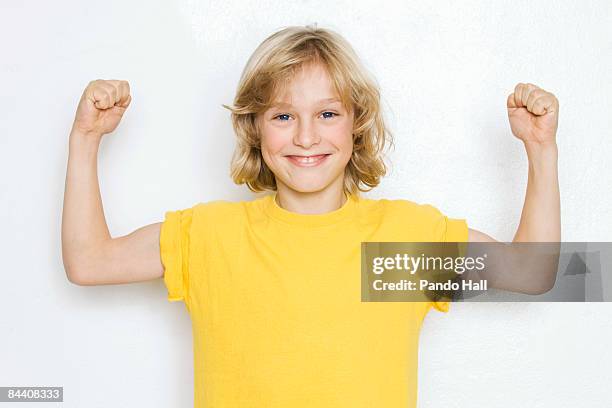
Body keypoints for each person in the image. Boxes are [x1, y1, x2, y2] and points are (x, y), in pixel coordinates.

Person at [61, 25, 560, 408]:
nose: (305, 137)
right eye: (283, 115)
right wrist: (85, 139)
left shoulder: (404, 243)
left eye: (327, 113)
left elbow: (532, 272)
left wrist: (540, 150)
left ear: (357, 124)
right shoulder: (210, 237)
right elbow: (89, 262)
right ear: (254, 127)